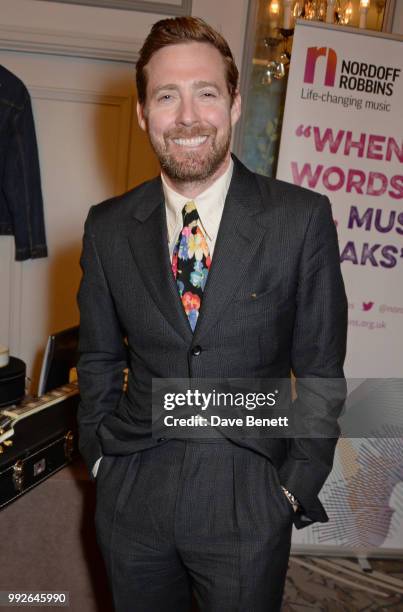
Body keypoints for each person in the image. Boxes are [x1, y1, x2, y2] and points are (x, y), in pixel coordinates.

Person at [77, 16, 348, 612]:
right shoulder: (108, 227)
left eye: (206, 92)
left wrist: (293, 487)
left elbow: (323, 372)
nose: (188, 116)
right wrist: (100, 456)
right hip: (132, 493)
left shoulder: (300, 220)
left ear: (233, 102)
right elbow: (97, 357)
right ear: (144, 113)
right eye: (167, 95)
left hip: (249, 493)